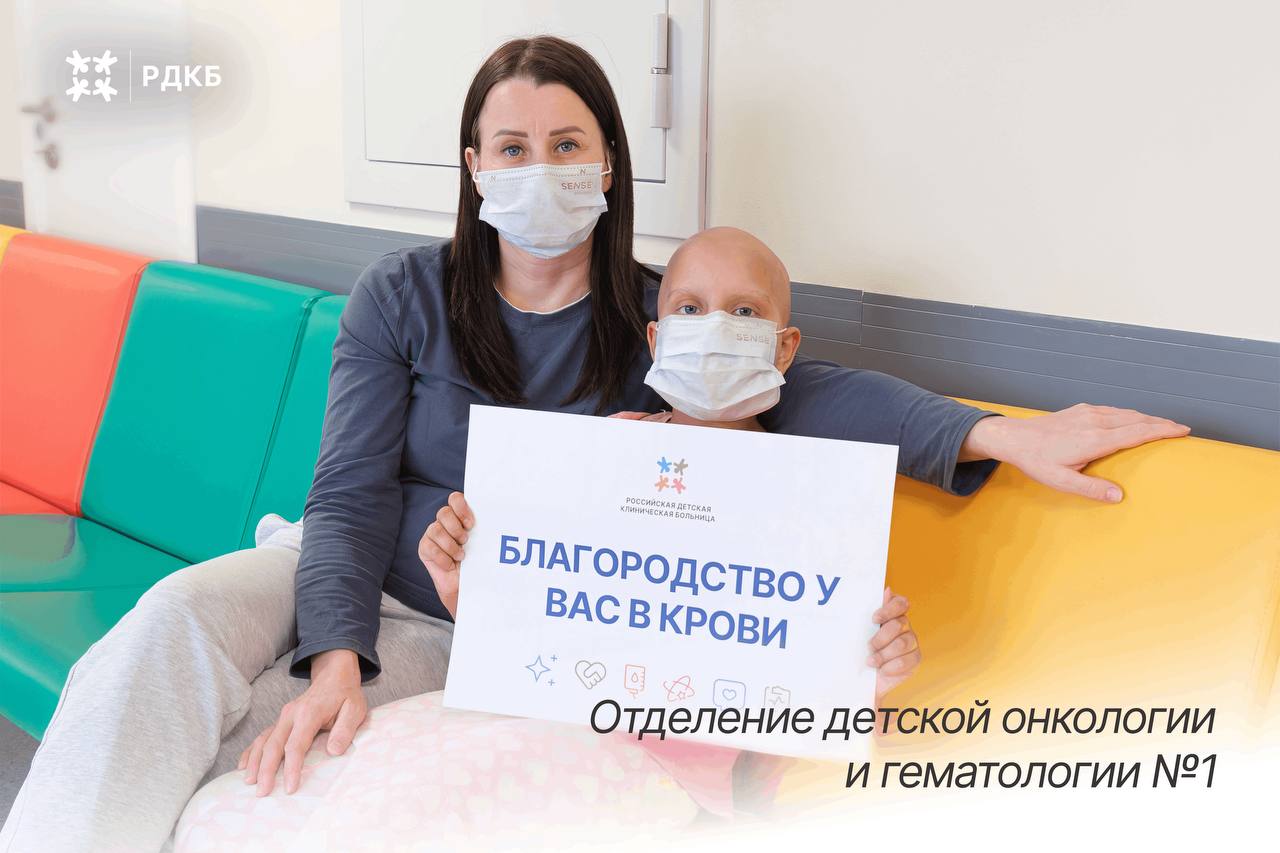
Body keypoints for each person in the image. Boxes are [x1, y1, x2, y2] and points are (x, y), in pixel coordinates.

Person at [0, 35, 1190, 853]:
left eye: (566, 145)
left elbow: (804, 385)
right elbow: (348, 488)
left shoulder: (658, 320)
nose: (541, 170)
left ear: (608, 162)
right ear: (474, 168)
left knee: (257, 743)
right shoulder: (402, 294)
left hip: (474, 628)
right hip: (332, 560)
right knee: (164, 631)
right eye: (511, 147)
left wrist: (991, 430)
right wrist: (335, 651)